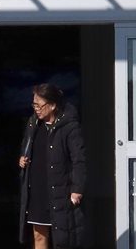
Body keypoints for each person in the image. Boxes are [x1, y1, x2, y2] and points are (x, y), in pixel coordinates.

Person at [18, 83, 86, 249]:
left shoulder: (69, 127)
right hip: (37, 189)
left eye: (39, 105)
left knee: (62, 239)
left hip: (60, 190)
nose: (36, 109)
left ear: (53, 105)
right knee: (39, 235)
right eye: (34, 104)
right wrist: (22, 159)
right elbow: (26, 146)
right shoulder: (34, 123)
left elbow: (79, 159)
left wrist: (77, 189)